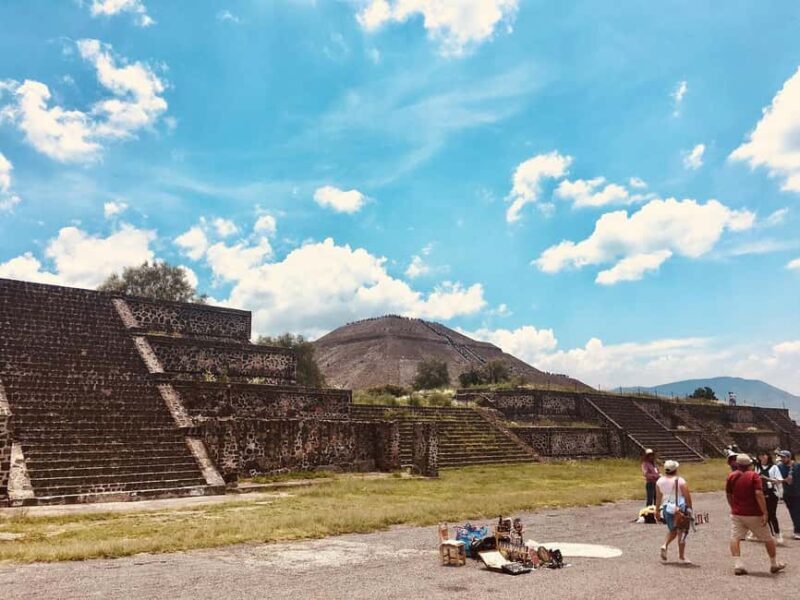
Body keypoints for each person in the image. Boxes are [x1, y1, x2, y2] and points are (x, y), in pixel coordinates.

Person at [726, 454, 786, 575]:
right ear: (750, 465)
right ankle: (773, 563)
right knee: (768, 538)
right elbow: (758, 494)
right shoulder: (753, 476)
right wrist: (764, 511)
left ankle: (738, 563)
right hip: (754, 512)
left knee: (735, 537)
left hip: (738, 513)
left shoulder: (731, 476)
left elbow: (728, 494)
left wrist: (733, 506)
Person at [655, 460, 693, 563]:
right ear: (675, 469)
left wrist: (657, 510)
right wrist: (690, 508)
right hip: (679, 507)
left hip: (667, 507)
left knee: (673, 529)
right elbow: (687, 496)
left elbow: (658, 497)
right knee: (682, 531)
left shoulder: (659, 481)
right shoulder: (680, 480)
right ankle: (682, 556)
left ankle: (665, 545)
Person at [755, 451, 784, 545]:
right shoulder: (757, 467)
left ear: (768, 456)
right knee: (762, 514)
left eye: (764, 455)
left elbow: (779, 480)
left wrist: (767, 479)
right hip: (760, 493)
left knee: (772, 514)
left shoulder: (774, 467)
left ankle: (777, 534)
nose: (762, 457)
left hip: (772, 493)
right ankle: (768, 535)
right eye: (760, 455)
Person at [775, 450, 800, 540]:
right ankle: (797, 530)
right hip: (788, 493)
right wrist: (784, 480)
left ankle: (797, 531)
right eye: (781, 457)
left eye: (784, 457)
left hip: (798, 492)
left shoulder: (797, 466)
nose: (782, 459)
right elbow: (776, 478)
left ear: (789, 457)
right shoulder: (779, 467)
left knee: (797, 512)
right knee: (793, 512)